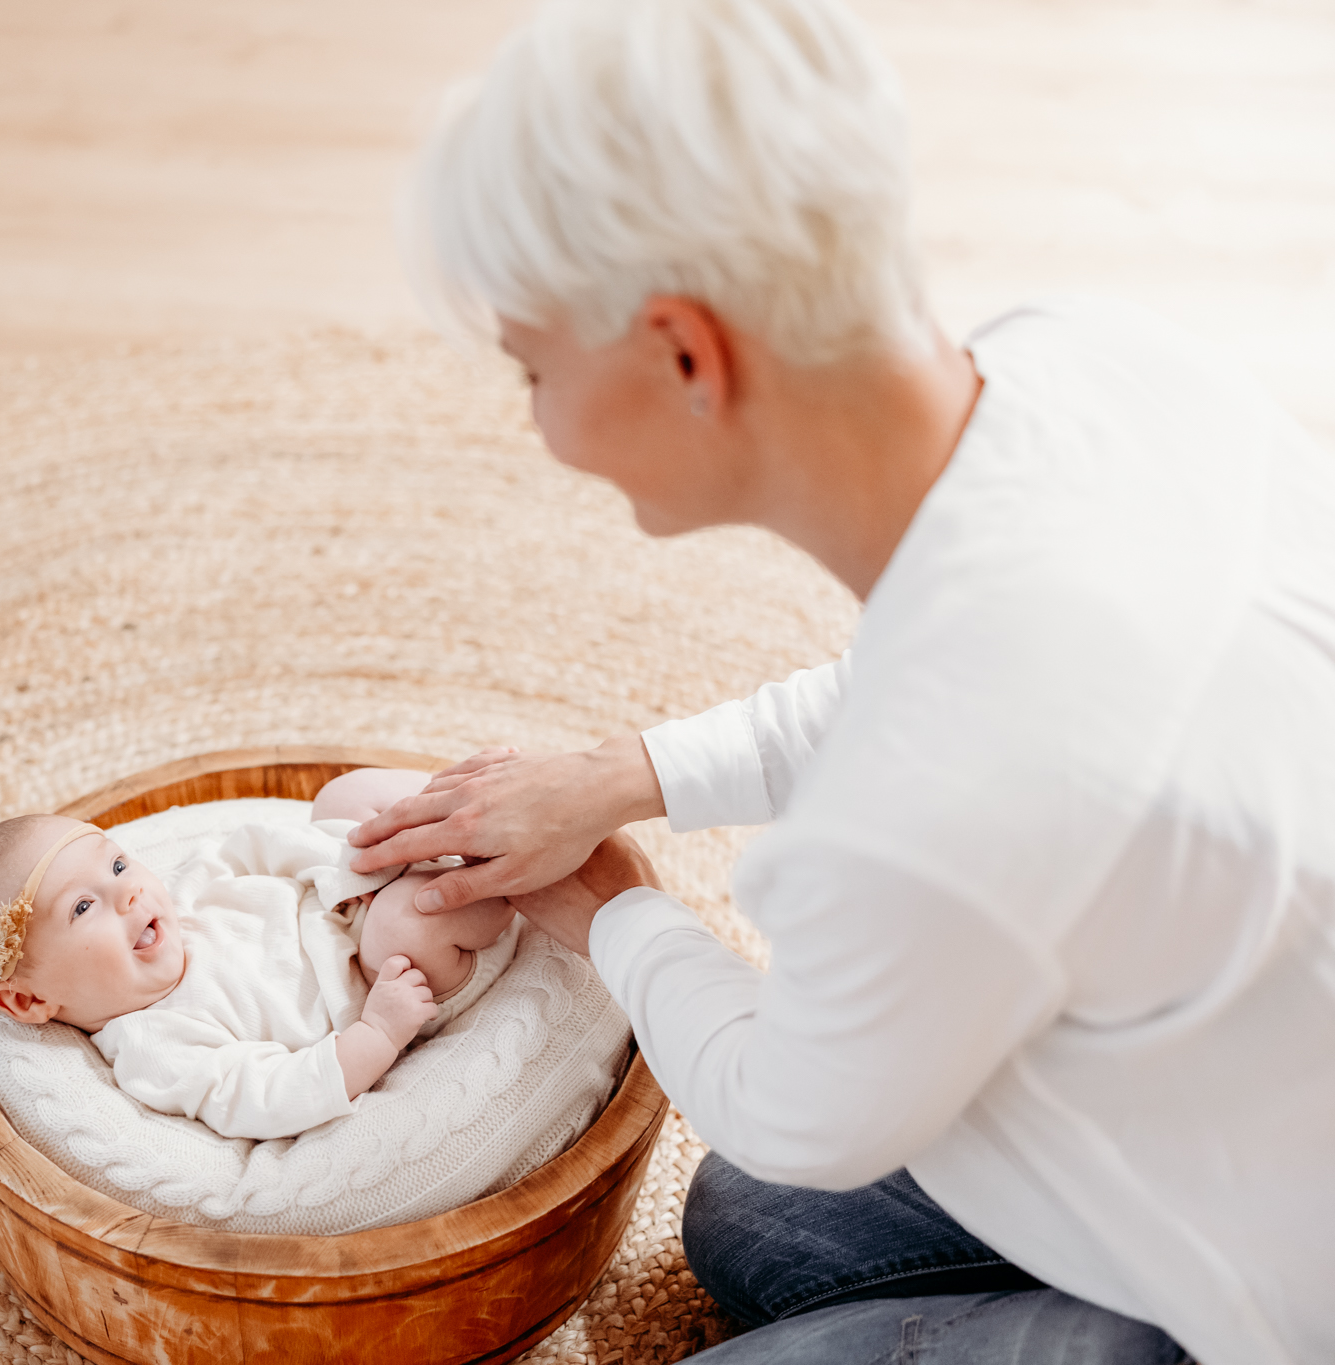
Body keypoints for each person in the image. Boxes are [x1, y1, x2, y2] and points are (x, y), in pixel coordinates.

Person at [349, 0, 1335, 1361]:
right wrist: (627, 773)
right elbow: (934, 687)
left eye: (532, 370)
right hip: (1258, 1084)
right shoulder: (1082, 360)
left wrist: (613, 908)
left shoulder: (934, 802)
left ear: (688, 354)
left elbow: (791, 1101)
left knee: (781, 1166)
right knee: (755, 1230)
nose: (534, 419)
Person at [0, 766, 518, 1140]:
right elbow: (271, 1096)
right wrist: (380, 1033)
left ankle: (486, 804)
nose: (129, 891)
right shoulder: (155, 1045)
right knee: (405, 922)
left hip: (346, 895)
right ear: (29, 998)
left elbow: (253, 846)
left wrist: (346, 868)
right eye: (83, 908)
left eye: (116, 865)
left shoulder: (181, 897)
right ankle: (518, 876)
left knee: (346, 797)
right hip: (382, 975)